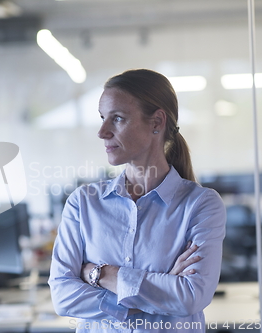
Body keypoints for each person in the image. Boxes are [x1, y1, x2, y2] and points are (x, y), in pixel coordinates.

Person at [48, 69, 226, 332]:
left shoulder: (200, 205)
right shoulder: (83, 203)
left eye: (117, 119)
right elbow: (63, 297)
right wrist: (154, 292)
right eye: (102, 118)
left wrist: (100, 275)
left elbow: (191, 297)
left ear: (156, 122)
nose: (102, 132)